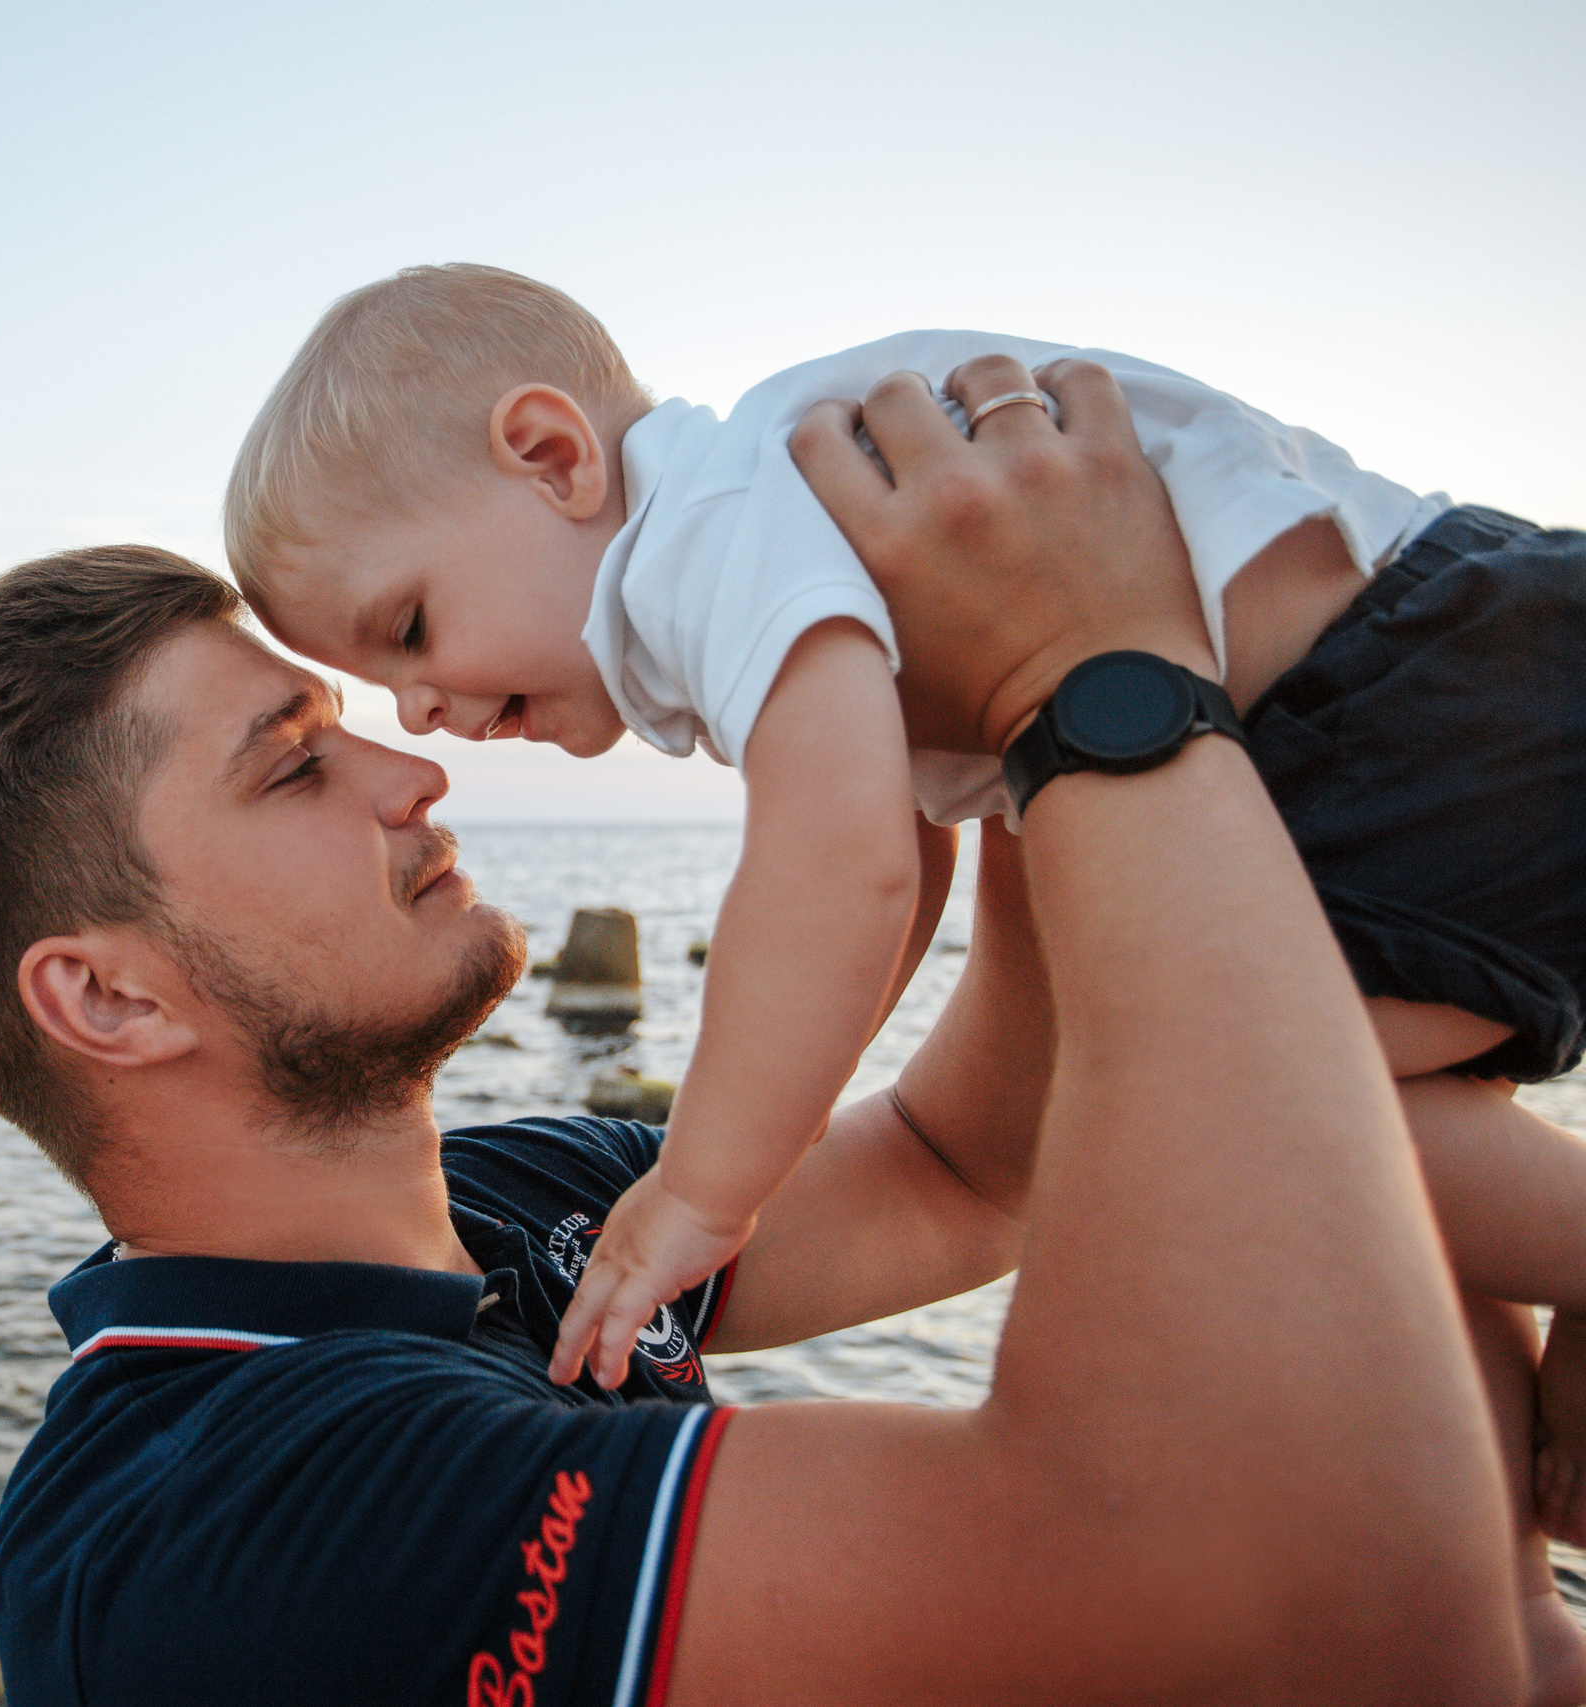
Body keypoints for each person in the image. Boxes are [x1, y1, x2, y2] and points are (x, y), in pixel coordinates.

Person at [0, 356, 1553, 1704]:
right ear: (108, 998)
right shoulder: (215, 1523)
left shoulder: (507, 1207)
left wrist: (982, 725)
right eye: (294, 766)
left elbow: (972, 1168)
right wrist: (1100, 685)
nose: (417, 771)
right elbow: (1281, 1608)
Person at [217, 264, 1586, 1543]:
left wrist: (703, 1189)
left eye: (409, 629)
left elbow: (840, 861)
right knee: (1346, 1122)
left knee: (1231, 1121)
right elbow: (908, 856)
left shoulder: (702, 539)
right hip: (1431, 689)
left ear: (553, 457)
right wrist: (796, 1099)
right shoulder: (764, 526)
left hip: (1404, 702)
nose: (422, 711)